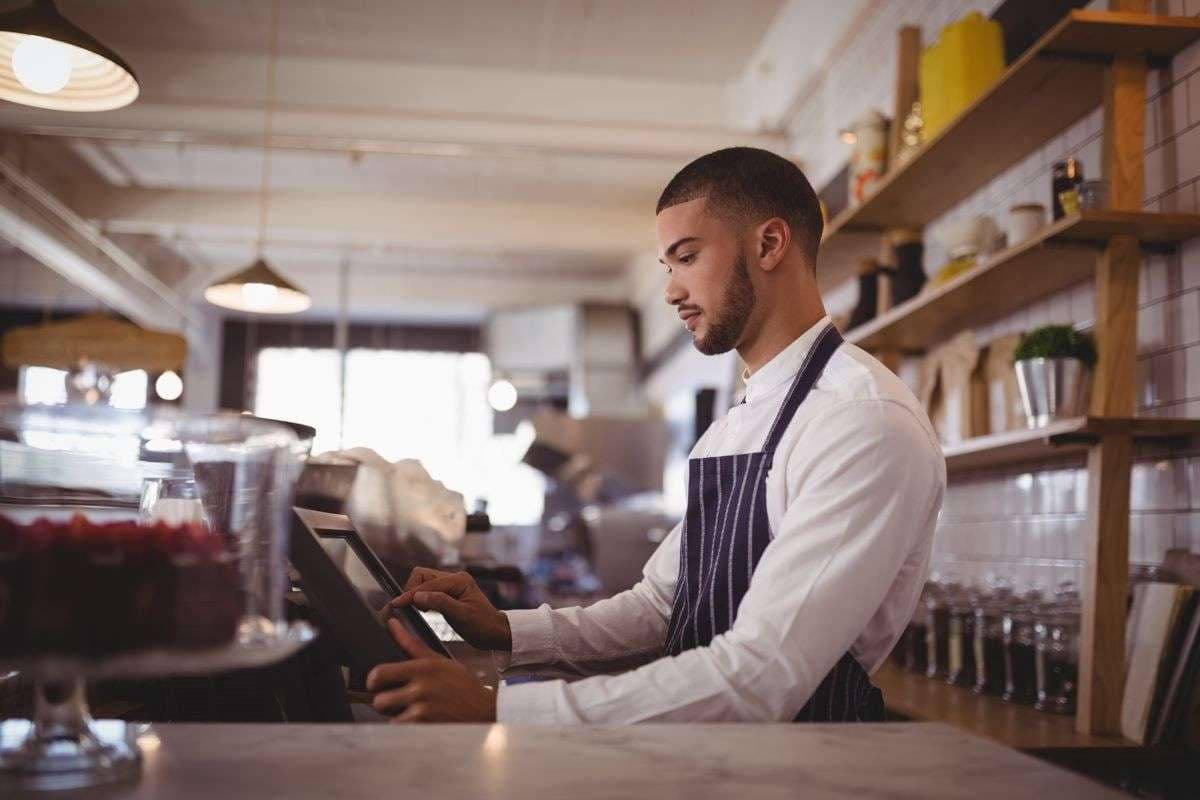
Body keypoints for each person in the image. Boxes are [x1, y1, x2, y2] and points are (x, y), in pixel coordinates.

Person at [366, 147, 945, 724]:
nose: (670, 291)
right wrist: (506, 628)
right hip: (705, 762)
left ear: (769, 245)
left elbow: (762, 674)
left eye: (686, 258)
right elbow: (663, 608)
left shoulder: (862, 421)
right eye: (668, 268)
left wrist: (502, 710)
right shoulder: (736, 424)